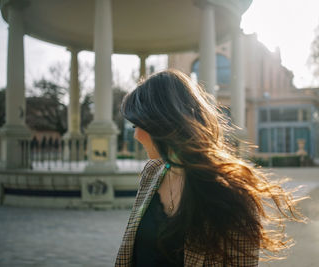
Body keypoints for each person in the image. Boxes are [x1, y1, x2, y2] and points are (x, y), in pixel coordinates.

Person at [115, 69, 304, 267]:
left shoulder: (231, 193)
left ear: (163, 123)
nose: (136, 136)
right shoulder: (151, 172)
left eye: (138, 125)